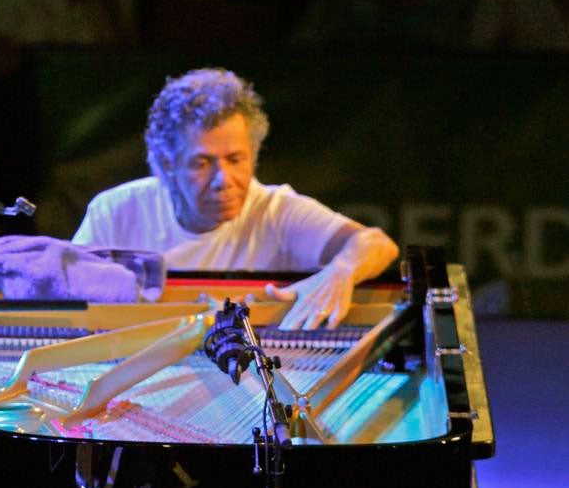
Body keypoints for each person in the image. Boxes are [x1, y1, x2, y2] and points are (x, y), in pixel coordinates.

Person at [73, 67, 399, 330]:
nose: (223, 181)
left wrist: (340, 271)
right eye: (202, 163)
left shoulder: (275, 210)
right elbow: (66, 300)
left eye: (235, 159)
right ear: (167, 164)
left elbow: (377, 244)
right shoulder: (115, 211)